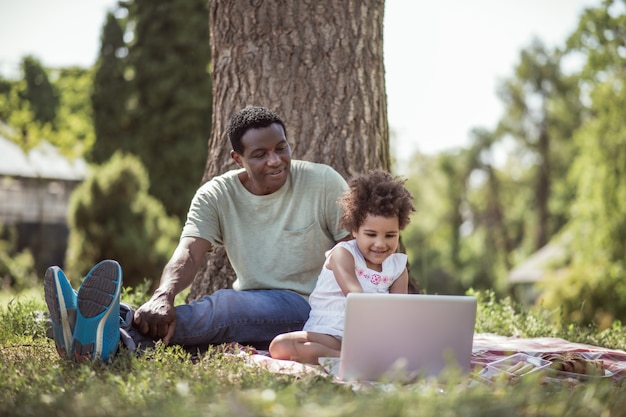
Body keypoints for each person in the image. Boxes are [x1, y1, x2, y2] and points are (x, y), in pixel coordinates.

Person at [44, 105, 350, 361]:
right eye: (260, 154)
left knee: (226, 308)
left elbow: (358, 251)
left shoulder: (322, 182)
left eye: (281, 148)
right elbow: (189, 252)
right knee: (214, 330)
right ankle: (111, 338)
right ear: (237, 158)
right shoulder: (216, 194)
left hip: (312, 308)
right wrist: (163, 296)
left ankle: (111, 325)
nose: (275, 160)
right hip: (256, 305)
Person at [269, 170, 416, 364]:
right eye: (371, 234)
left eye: (390, 235)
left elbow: (397, 313)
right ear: (355, 230)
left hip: (367, 339)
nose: (380, 244)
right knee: (280, 346)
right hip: (329, 333)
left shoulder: (397, 268)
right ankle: (354, 359)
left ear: (399, 231)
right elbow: (356, 298)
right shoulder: (343, 254)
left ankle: (362, 357)